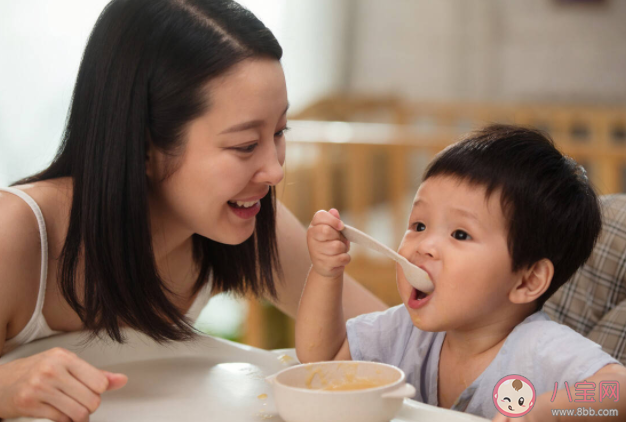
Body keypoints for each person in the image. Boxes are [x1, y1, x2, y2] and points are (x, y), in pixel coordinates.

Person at [0, 1, 386, 420]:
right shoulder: (16, 234)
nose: (275, 171)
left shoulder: (249, 218)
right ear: (144, 146)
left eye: (279, 132)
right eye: (243, 146)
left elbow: (386, 338)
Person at [296, 124, 626, 421]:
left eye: (460, 234)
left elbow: (616, 392)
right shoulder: (405, 333)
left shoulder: (539, 350)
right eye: (419, 225)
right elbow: (321, 360)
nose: (424, 245)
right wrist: (326, 273)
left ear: (527, 280)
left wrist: (545, 411)